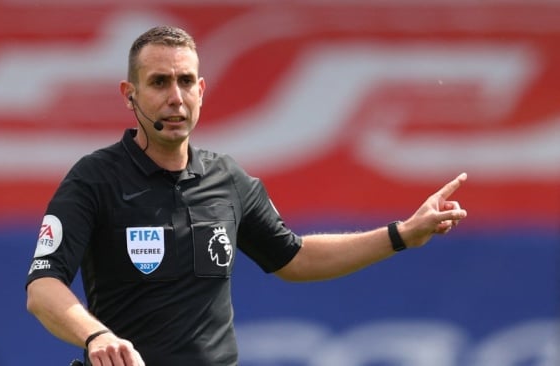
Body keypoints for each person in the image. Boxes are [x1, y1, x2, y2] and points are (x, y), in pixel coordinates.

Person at [25, 25, 468, 366]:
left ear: (201, 91)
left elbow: (295, 259)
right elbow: (43, 287)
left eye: (185, 81)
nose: (175, 98)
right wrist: (96, 336)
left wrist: (402, 234)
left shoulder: (227, 178)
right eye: (159, 82)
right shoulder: (95, 179)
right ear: (130, 94)